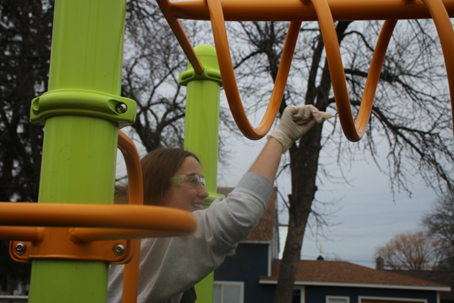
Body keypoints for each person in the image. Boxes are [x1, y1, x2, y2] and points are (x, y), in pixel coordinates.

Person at [107, 105, 332, 303]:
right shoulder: (152, 240)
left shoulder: (136, 240)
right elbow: (239, 213)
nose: (204, 193)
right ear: (157, 188)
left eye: (202, 182)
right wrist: (281, 137)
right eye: (193, 180)